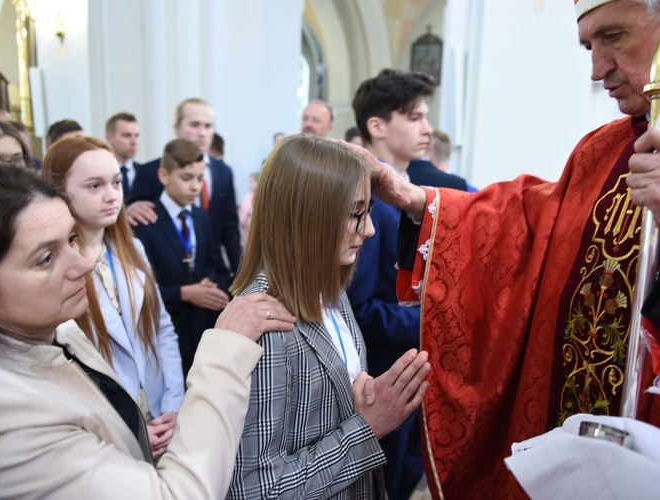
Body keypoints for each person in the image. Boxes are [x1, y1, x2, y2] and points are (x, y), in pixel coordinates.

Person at [360, 0, 660, 497]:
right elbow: (531, 226)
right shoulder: (602, 149)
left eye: (613, 36)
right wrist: (417, 200)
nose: (597, 69)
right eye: (588, 45)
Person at [0, 159, 296, 498]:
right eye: (45, 258)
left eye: (71, 239)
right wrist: (225, 351)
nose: (83, 264)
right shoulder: (0, 412)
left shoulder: (59, 332)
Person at [227, 135, 431, 499]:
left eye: (368, 211)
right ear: (308, 215)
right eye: (356, 213)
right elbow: (256, 488)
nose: (368, 230)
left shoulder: (330, 287)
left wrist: (359, 402)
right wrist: (367, 426)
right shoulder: (266, 323)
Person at [348, 68, 465, 500]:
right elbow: (359, 308)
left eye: (426, 116)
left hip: (414, 364)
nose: (427, 127)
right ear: (377, 127)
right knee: (384, 483)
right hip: (381, 372)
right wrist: (430, 320)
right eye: (414, 117)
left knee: (410, 472)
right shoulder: (367, 203)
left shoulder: (425, 189)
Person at [41, 136, 185, 458]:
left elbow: (162, 329)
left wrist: (174, 404)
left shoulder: (132, 249)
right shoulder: (57, 268)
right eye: (94, 186)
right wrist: (126, 427)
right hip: (105, 432)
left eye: (116, 182)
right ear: (60, 191)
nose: (112, 196)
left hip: (159, 412)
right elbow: (68, 369)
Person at [133, 138, 231, 376]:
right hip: (165, 332)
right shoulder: (146, 223)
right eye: (186, 178)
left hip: (201, 328)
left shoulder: (201, 217)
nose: (195, 187)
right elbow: (139, 289)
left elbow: (213, 264)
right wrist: (185, 293)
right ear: (164, 175)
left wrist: (209, 281)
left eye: (199, 178)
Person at [129, 98, 241, 275]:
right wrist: (130, 209)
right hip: (168, 275)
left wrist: (240, 275)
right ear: (177, 128)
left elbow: (230, 226)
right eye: (194, 125)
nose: (202, 133)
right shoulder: (150, 171)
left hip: (214, 272)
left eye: (208, 126)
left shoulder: (224, 172)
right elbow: (136, 215)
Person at [105, 112, 142, 201]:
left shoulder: (144, 172)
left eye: (136, 136)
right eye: (127, 135)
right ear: (109, 138)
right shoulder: (100, 172)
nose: (134, 142)